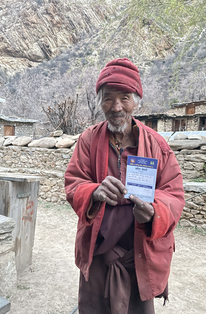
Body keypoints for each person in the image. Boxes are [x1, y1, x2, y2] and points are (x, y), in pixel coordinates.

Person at [65, 58, 185, 314]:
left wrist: (154, 212)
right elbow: (74, 182)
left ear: (136, 102)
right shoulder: (88, 140)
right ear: (100, 103)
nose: (116, 107)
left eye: (125, 98)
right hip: (98, 254)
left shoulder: (157, 146)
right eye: (108, 98)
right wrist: (94, 192)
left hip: (139, 256)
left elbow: (174, 194)